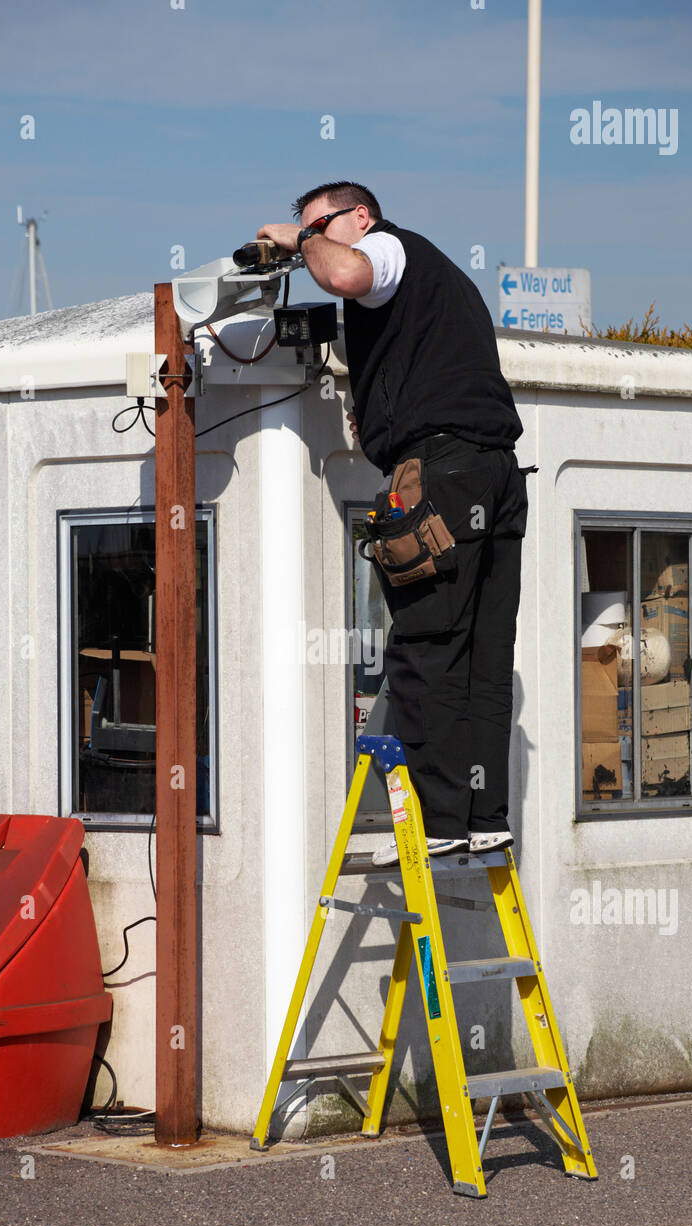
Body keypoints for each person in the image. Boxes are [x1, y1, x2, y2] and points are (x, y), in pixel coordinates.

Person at [257, 181, 530, 867]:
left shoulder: (385, 251)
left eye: (323, 223)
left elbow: (346, 271)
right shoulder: (442, 282)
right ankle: (482, 816)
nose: (315, 237)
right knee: (481, 658)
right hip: (496, 473)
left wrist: (296, 241)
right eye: (309, 228)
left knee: (424, 650)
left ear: (361, 216)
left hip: (444, 471)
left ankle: (436, 823)